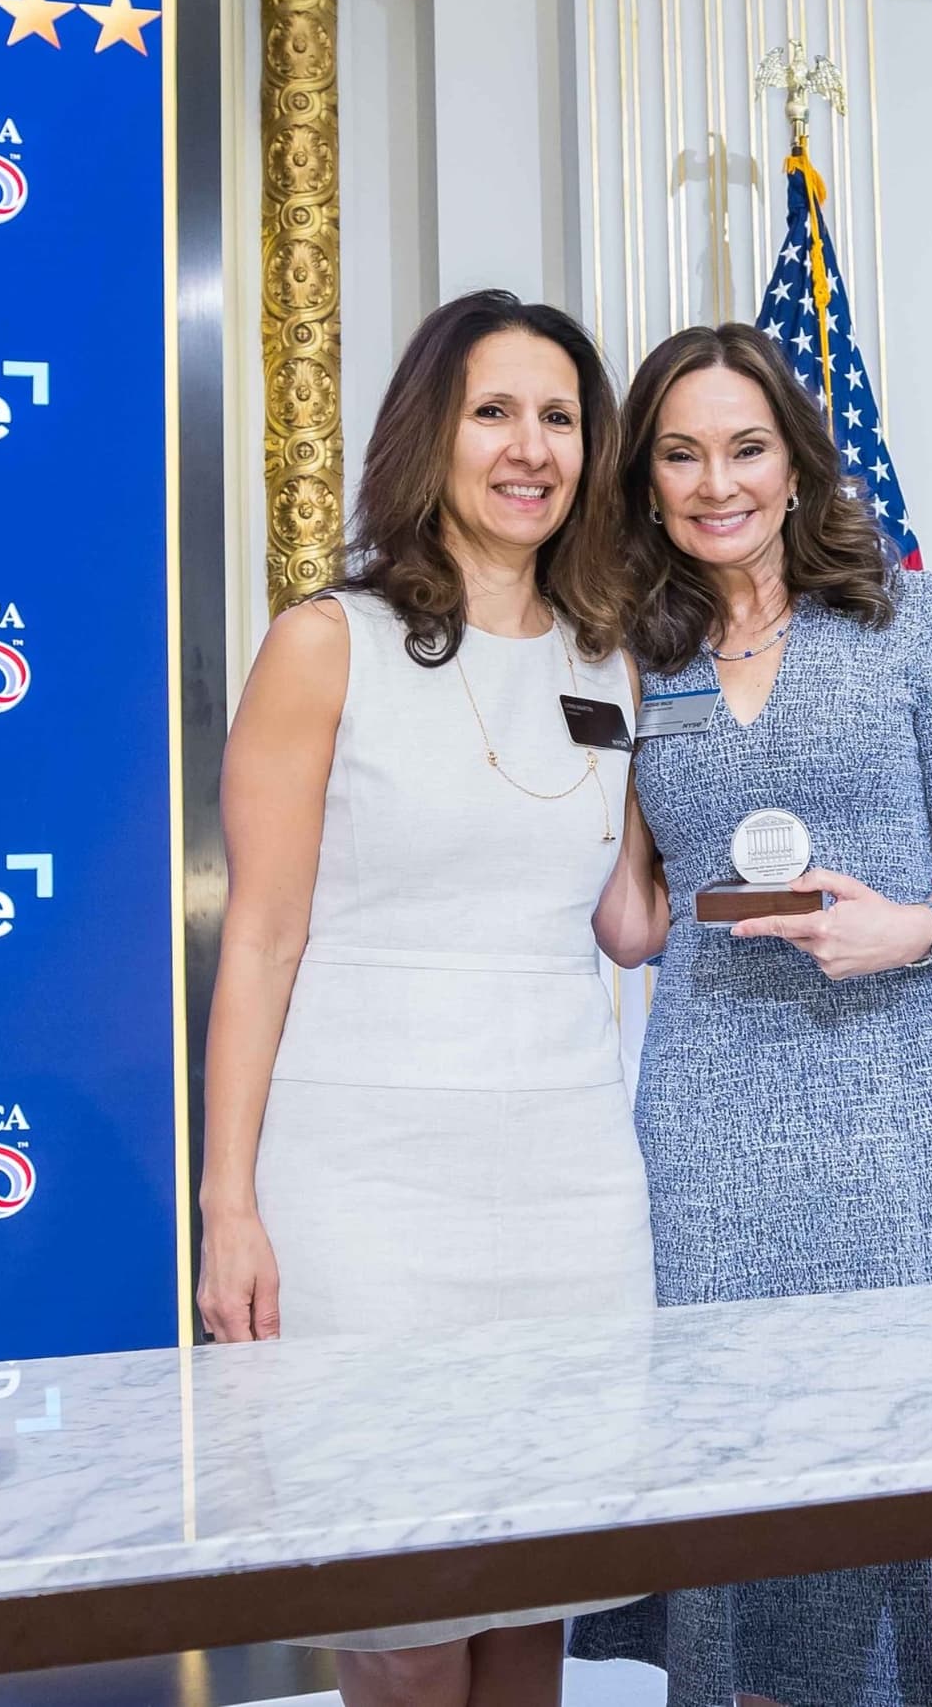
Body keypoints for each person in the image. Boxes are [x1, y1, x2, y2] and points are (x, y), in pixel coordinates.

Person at [574, 322, 932, 1707]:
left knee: (926, 1466)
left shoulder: (896, 612)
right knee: (742, 1483)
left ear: (795, 459)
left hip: (903, 1105)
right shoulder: (628, 654)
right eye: (683, 455)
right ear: (645, 478)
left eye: (747, 449)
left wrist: (914, 927)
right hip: (709, 1119)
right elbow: (634, 909)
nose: (718, 485)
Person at [200, 289, 654, 1707]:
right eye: (495, 412)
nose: (532, 448)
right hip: (369, 1192)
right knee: (400, 1604)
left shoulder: (613, 655)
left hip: (570, 1178)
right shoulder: (323, 644)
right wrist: (227, 1204)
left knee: (537, 1591)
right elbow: (261, 940)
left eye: (562, 418)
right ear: (432, 436)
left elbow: (628, 919)